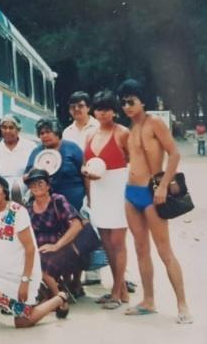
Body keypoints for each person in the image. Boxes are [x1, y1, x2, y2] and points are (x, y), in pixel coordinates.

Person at [118, 79, 192, 323]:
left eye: (132, 101)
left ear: (143, 101)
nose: (127, 106)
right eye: (124, 102)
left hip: (151, 194)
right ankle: (148, 300)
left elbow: (175, 153)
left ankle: (183, 306)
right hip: (131, 194)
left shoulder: (155, 123)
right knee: (141, 249)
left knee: (164, 251)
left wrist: (162, 185)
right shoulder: (130, 129)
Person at [0, 173, 69, 328]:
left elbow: (30, 250)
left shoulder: (17, 212)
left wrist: (24, 282)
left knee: (22, 322)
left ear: (4, 191)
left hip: (20, 273)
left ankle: (59, 298)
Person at [83, 90, 130, 308]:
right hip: (98, 190)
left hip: (118, 189)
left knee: (118, 243)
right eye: (99, 109)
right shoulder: (91, 135)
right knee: (107, 244)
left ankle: (115, 292)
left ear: (115, 111)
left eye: (108, 109)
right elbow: (86, 164)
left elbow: (133, 162)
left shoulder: (123, 133)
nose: (103, 113)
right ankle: (121, 291)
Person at [24, 169, 82, 314]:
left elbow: (77, 225)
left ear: (48, 185)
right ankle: (44, 296)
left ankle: (59, 299)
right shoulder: (29, 207)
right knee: (24, 261)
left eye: (40, 183)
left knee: (40, 263)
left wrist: (56, 246)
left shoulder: (57, 200)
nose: (36, 186)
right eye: (32, 184)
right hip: (38, 248)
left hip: (62, 247)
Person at [62, 91, 102, 286]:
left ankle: (96, 272)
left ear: (88, 107)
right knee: (80, 226)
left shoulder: (98, 127)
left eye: (81, 105)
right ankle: (81, 268)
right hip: (75, 184)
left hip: (96, 180)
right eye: (73, 106)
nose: (77, 109)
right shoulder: (67, 131)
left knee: (100, 225)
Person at [25, 118, 85, 211]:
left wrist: (89, 198)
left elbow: (85, 174)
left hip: (74, 199)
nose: (45, 135)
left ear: (57, 133)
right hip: (47, 202)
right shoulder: (36, 152)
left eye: (48, 132)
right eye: (41, 133)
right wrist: (32, 172)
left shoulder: (72, 147)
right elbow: (25, 178)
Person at [0, 114, 36, 203]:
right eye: (4, 127)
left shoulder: (30, 146)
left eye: (11, 128)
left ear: (18, 129)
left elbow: (36, 168)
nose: (7, 131)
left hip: (26, 188)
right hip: (2, 190)